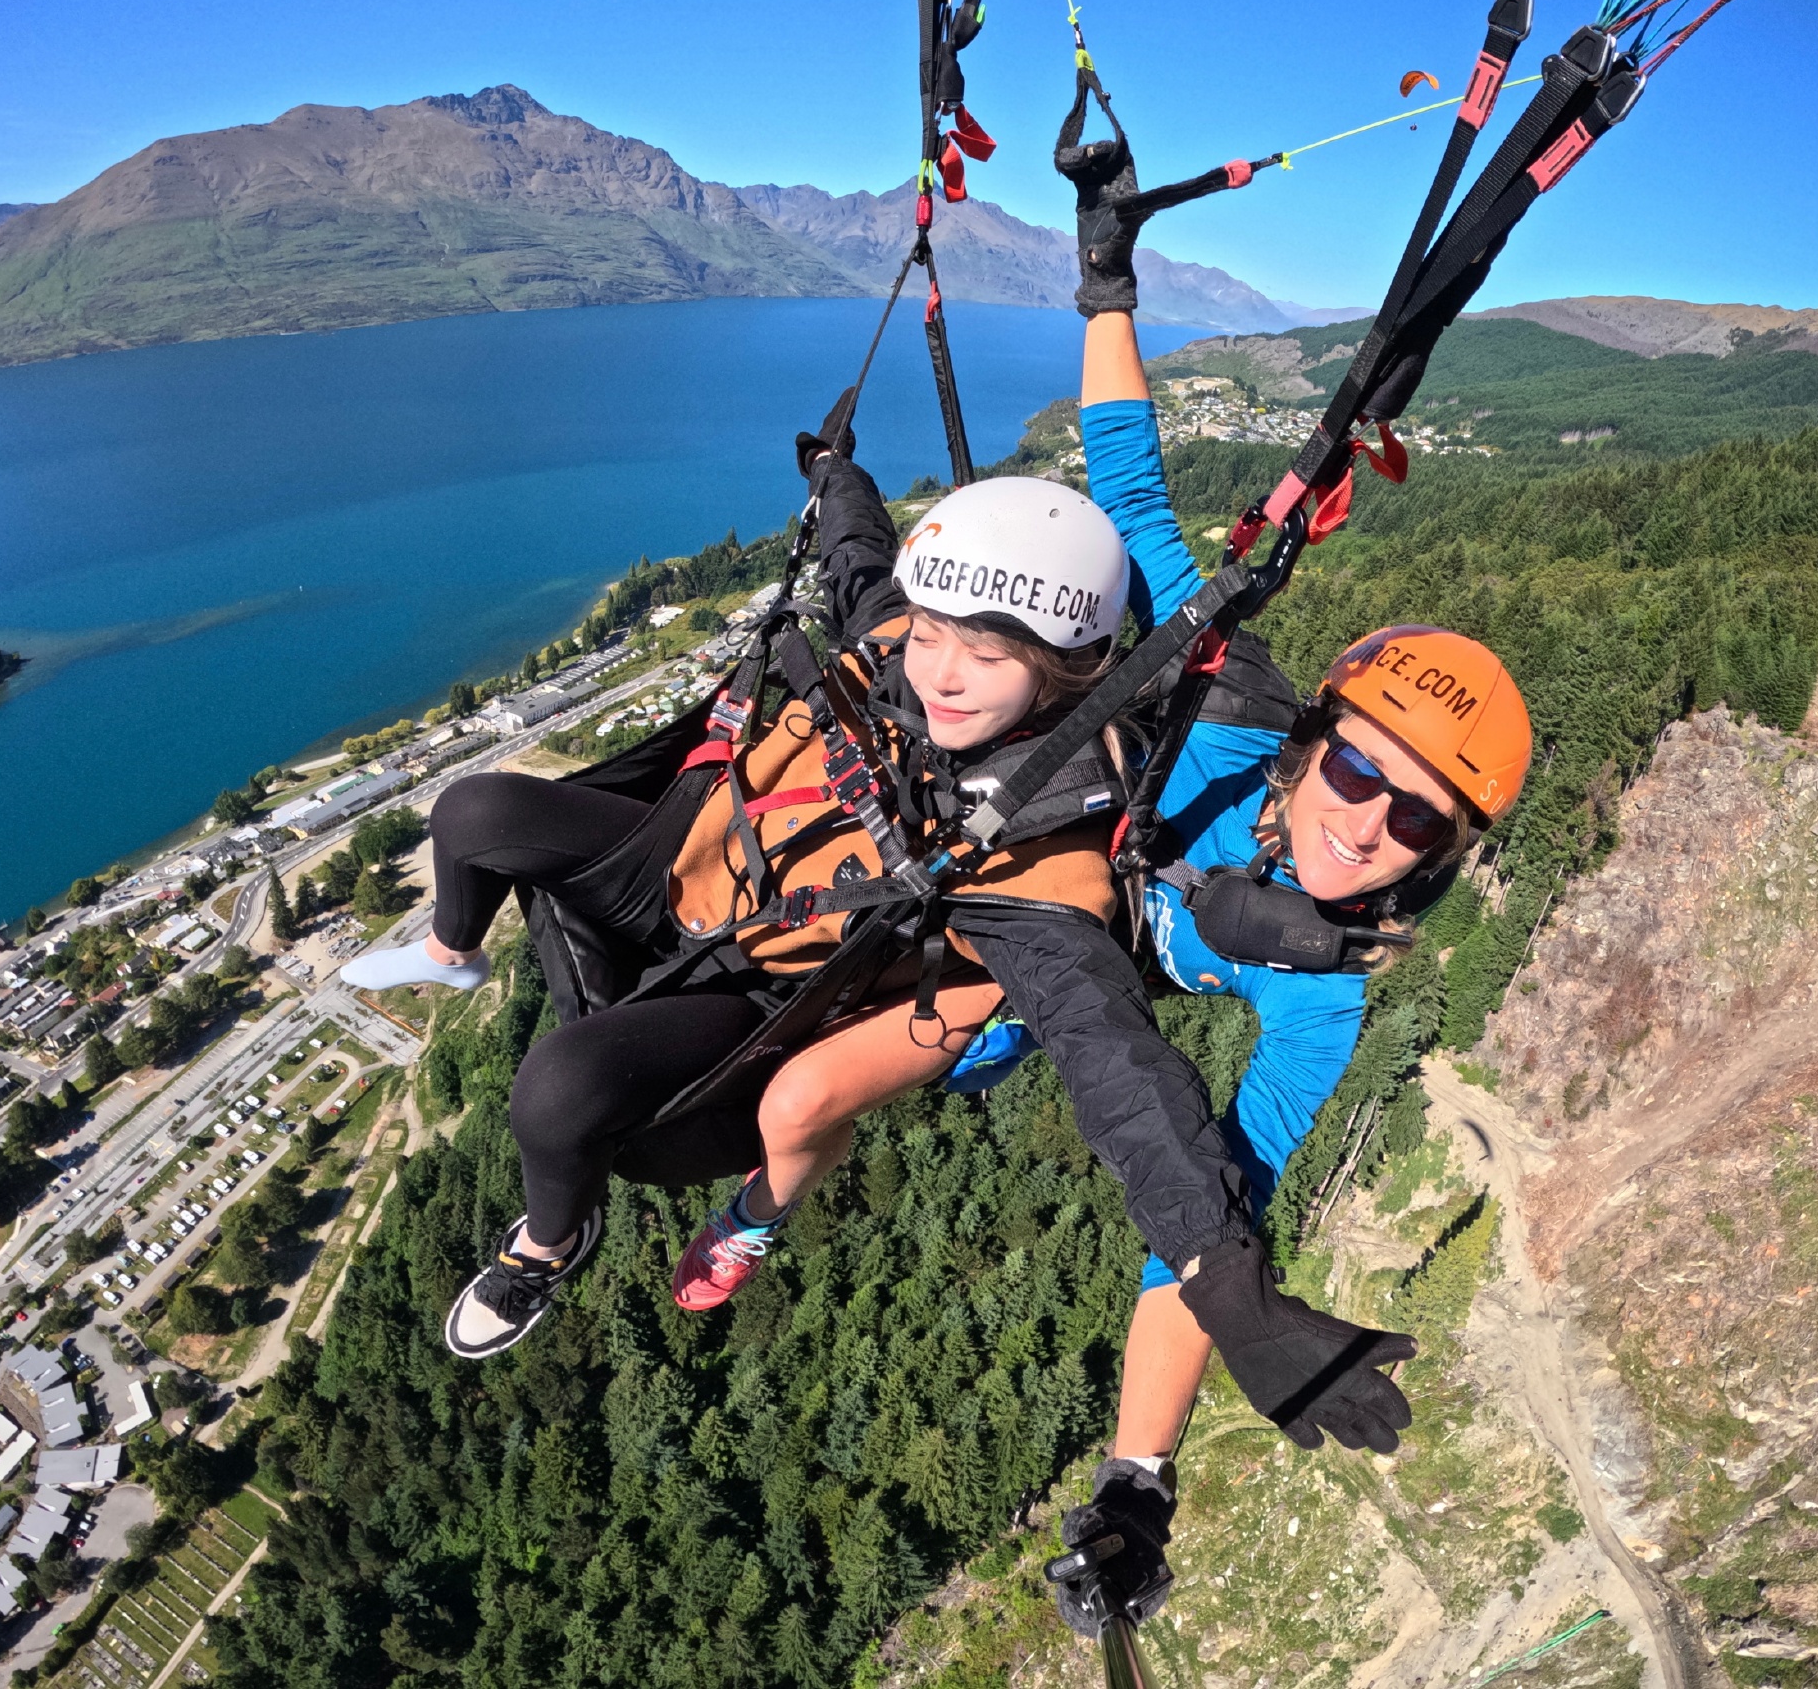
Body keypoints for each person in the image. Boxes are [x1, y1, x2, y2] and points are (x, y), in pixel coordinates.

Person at [681, 100, 1535, 1641]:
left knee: (809, 1089)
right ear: (1308, 740)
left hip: (1061, 986)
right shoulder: (1212, 711)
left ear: (1444, 860)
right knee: (789, 1101)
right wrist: (1105, 284)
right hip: (1022, 909)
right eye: (1357, 771)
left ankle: (754, 1189)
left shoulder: (1321, 994)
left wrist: (1139, 1474)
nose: (1364, 825)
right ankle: (757, 1203)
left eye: (1415, 823)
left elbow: (1196, 1219)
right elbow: (1128, 479)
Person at [342, 415, 1136, 1359]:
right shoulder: (892, 648)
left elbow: (1102, 1042)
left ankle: (547, 1247)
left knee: (555, 1092)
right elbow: (856, 549)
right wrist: (835, 468)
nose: (943, 676)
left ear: (1058, 671)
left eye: (989, 656)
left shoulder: (1049, 840)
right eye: (930, 635)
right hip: (693, 856)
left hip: (761, 981)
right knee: (472, 814)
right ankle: (451, 953)